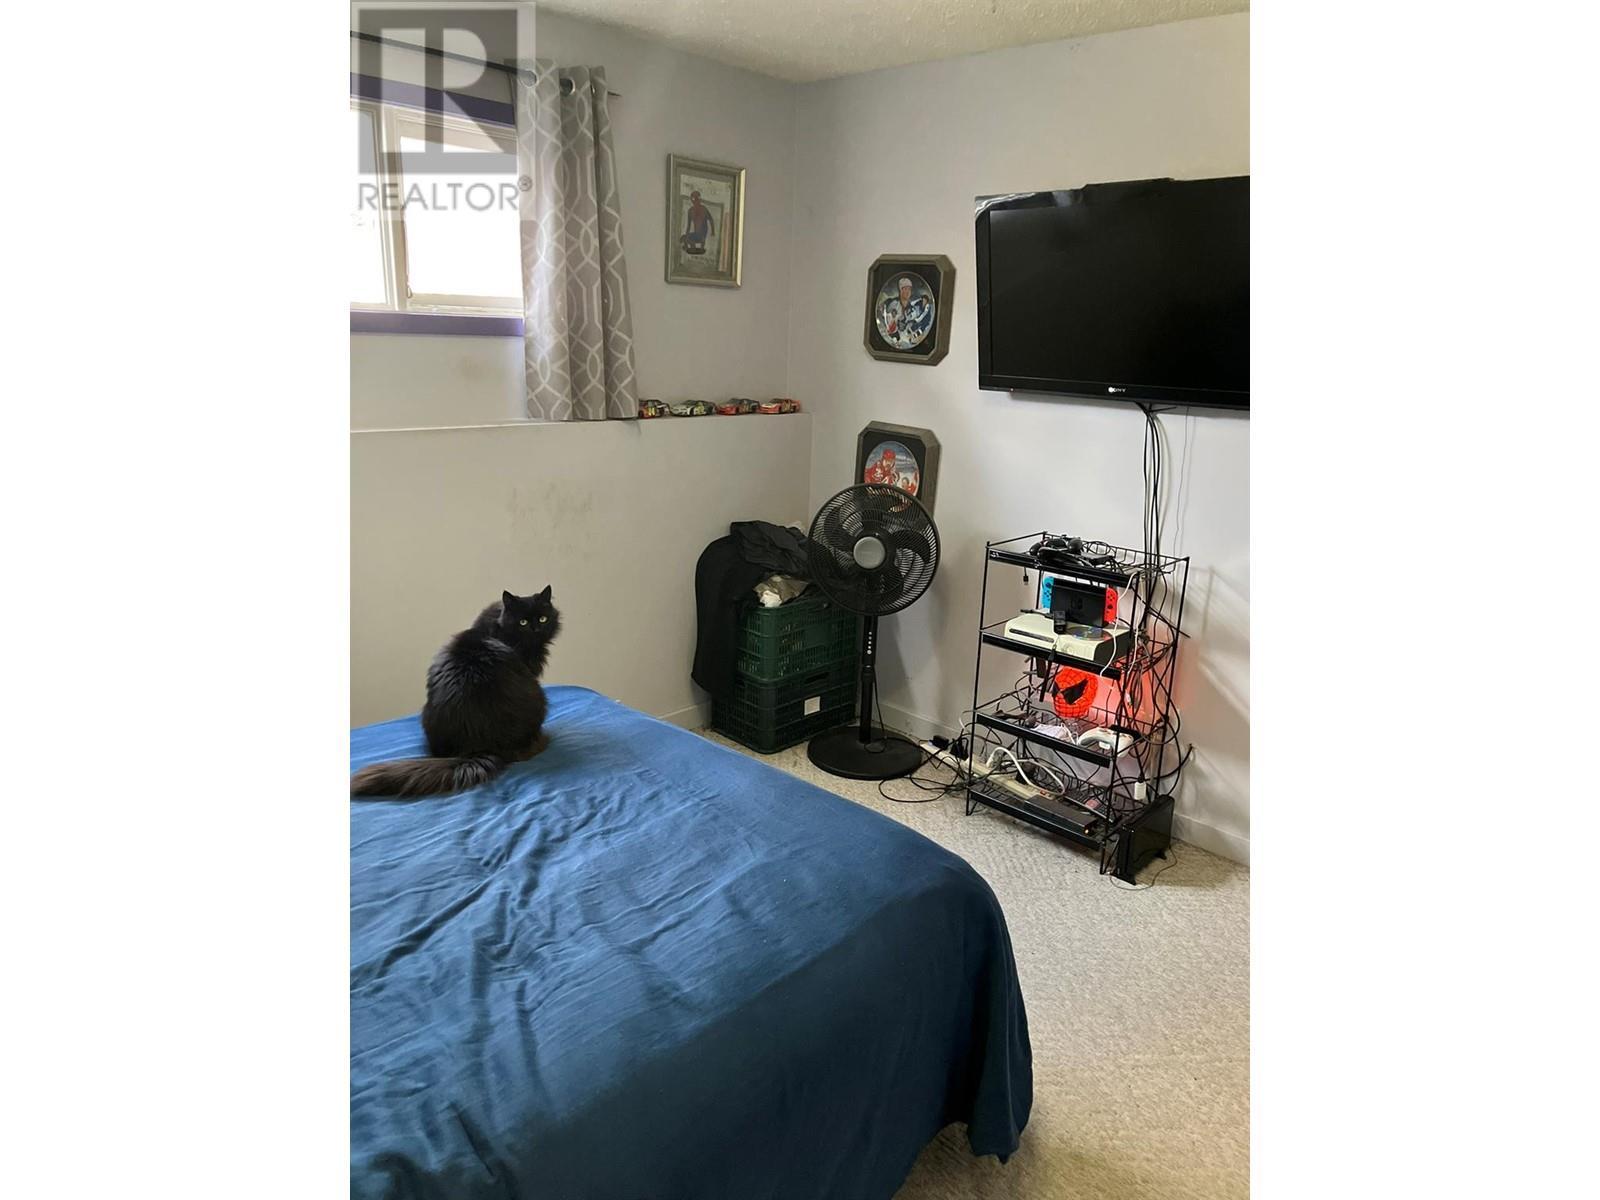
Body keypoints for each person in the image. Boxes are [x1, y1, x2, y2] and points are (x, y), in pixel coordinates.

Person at [681, 189, 713, 255]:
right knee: (683, 238)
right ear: (692, 200)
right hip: (696, 234)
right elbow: (688, 226)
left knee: (688, 238)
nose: (695, 201)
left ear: (699, 200)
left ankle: (695, 248)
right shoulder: (690, 211)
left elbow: (711, 220)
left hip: (702, 236)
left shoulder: (704, 209)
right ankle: (692, 248)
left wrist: (713, 231)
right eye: (694, 199)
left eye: (697, 199)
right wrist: (687, 236)